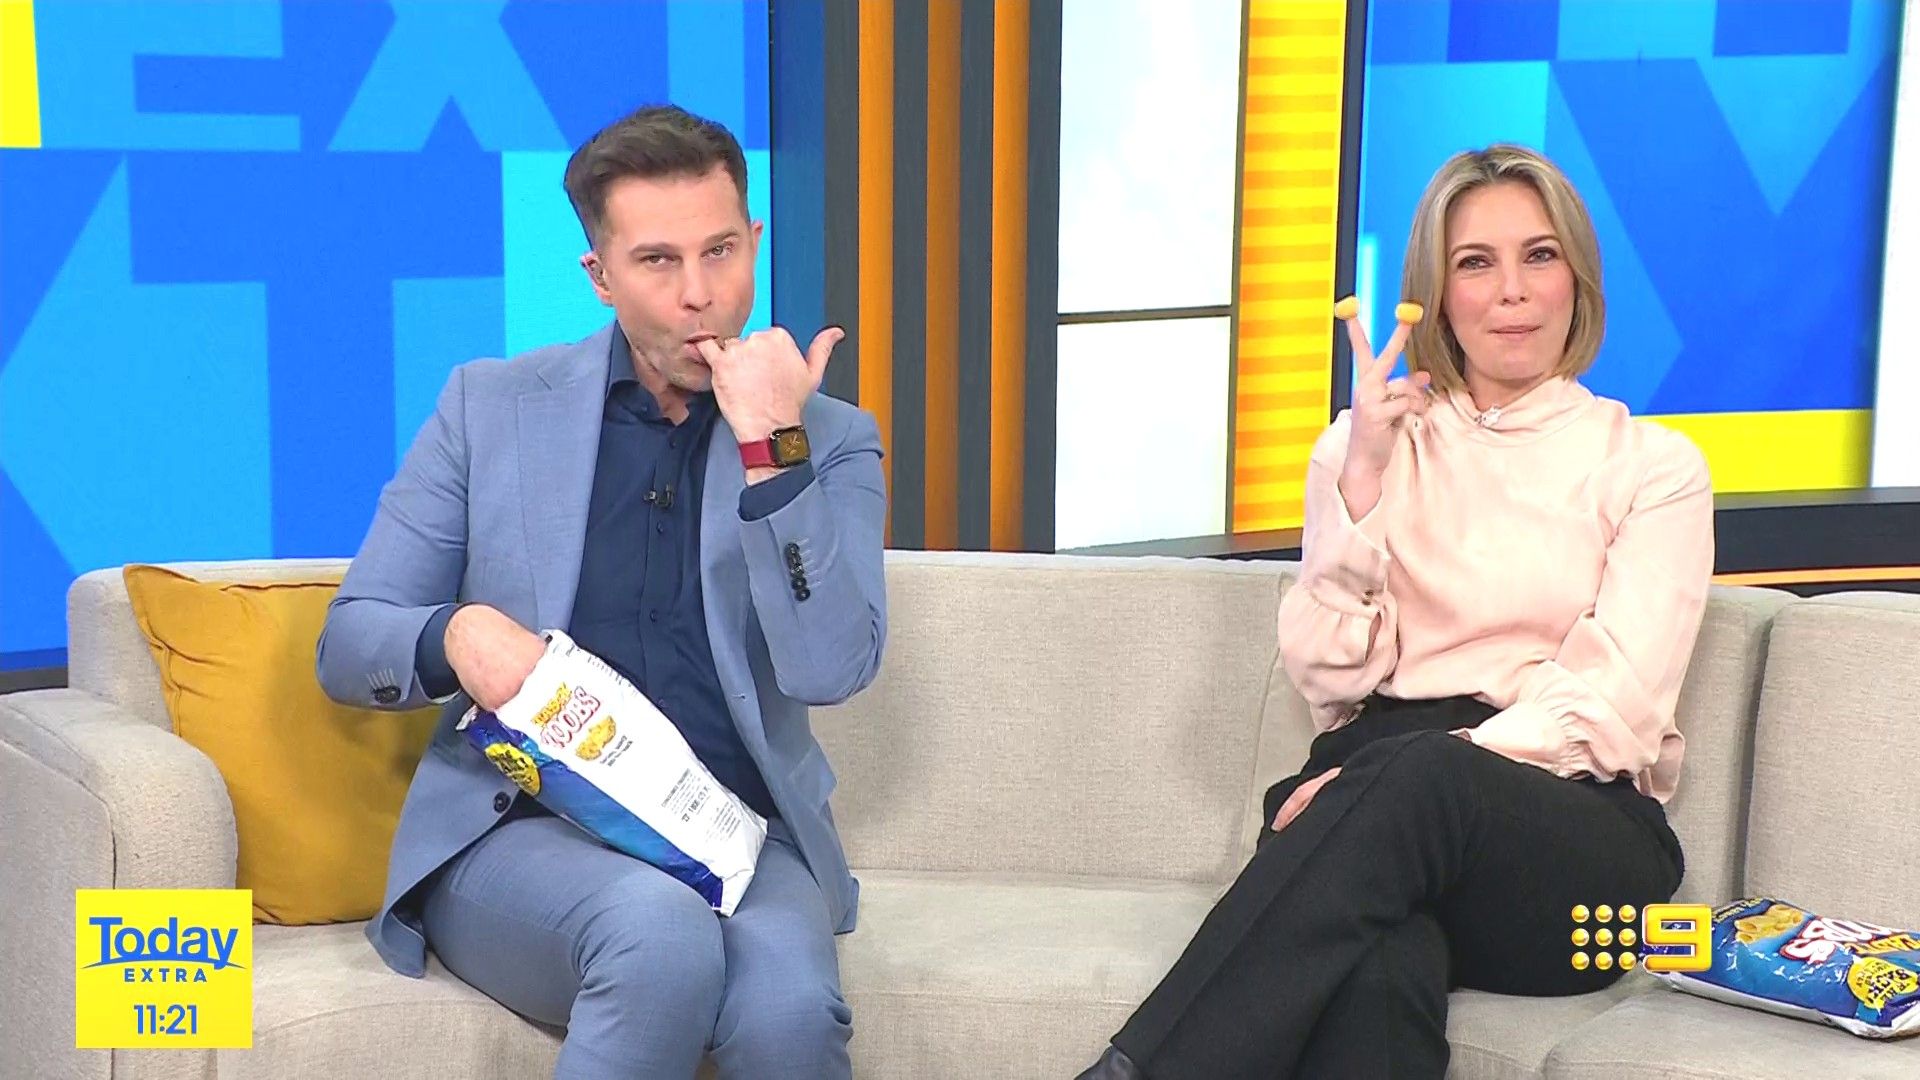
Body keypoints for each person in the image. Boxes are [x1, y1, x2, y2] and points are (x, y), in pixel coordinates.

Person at [1076, 144, 1714, 1079]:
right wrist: (1364, 481)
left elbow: (1613, 708)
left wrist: (1417, 772)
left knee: (1409, 787)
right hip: (1377, 800)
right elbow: (1330, 681)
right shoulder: (1367, 443)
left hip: (1575, 858)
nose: (1512, 290)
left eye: (1539, 255)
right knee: (1379, 961)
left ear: (1578, 277)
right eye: (1475, 263)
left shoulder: (1654, 467)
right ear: (1438, 295)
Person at [316, 104, 887, 1080]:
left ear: (754, 241)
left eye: (720, 251)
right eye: (658, 262)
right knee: (657, 934)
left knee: (791, 1015)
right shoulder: (489, 408)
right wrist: (456, 634)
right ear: (601, 275)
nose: (700, 295)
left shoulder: (826, 438)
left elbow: (832, 668)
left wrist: (773, 451)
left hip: (736, 837)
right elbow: (349, 643)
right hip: (524, 831)